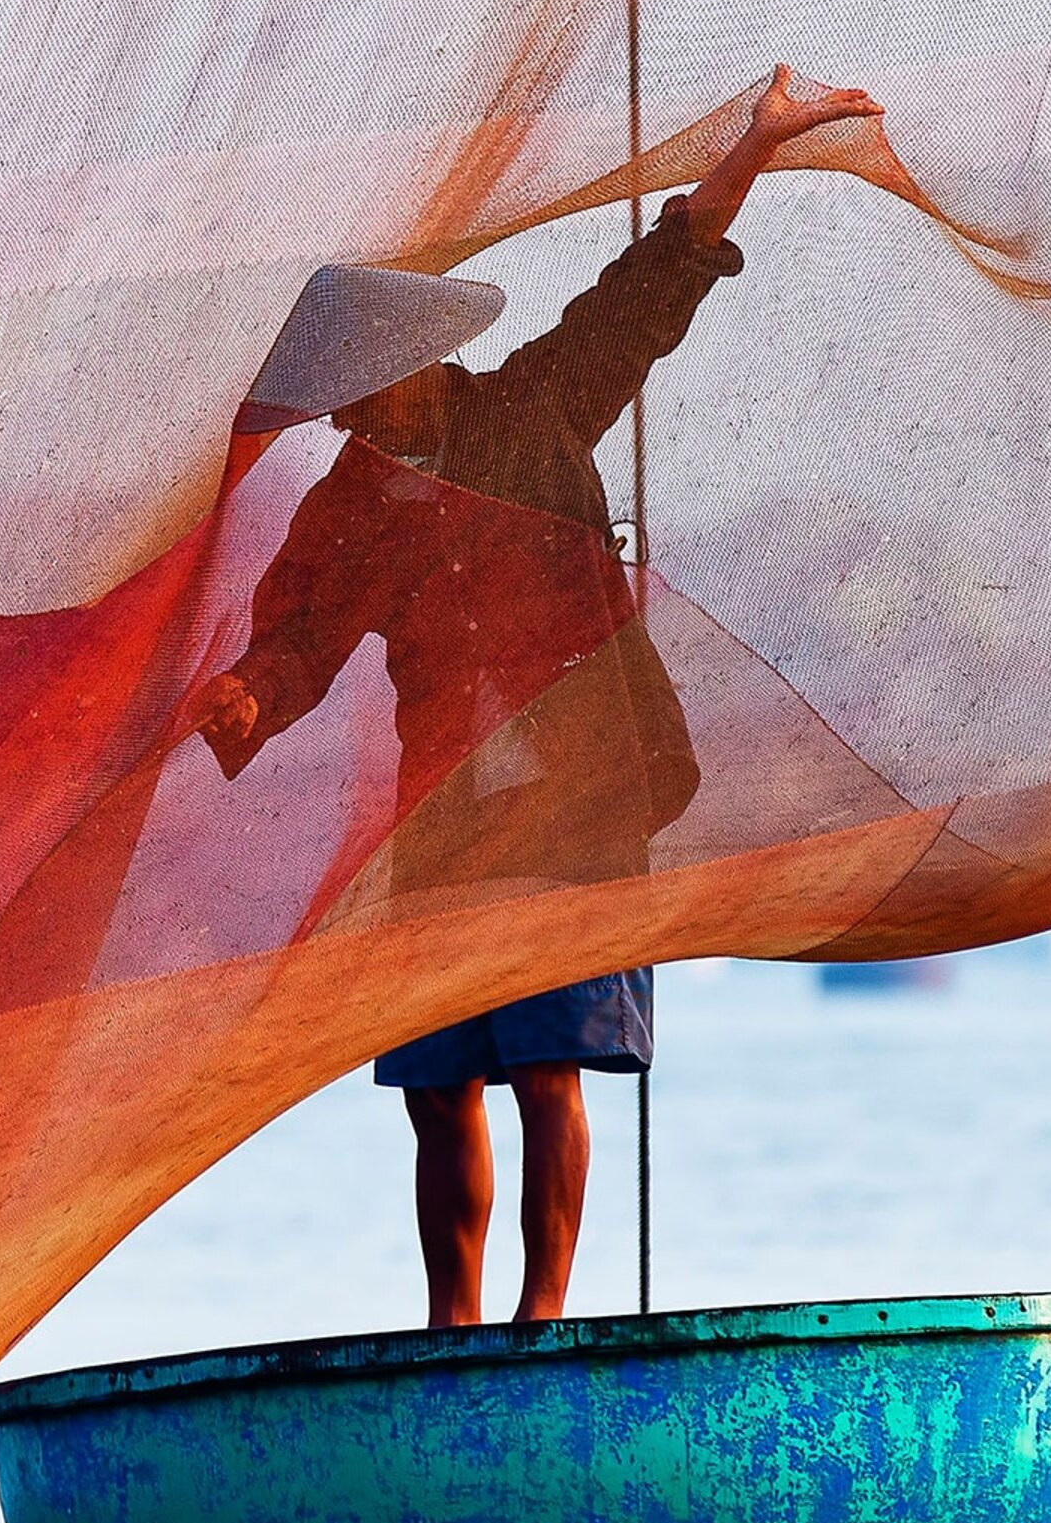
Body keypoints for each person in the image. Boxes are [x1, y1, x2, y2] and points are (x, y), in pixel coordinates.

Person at [197, 67, 884, 1326]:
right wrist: (249, 691)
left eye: (376, 386)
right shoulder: (347, 502)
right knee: (438, 1083)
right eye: (345, 400)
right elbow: (293, 639)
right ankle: (454, 1321)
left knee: (545, 1063)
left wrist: (754, 150)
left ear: (425, 363)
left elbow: (649, 294)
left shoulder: (532, 412)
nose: (362, 413)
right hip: (446, 817)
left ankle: (543, 1311)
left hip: (575, 800)